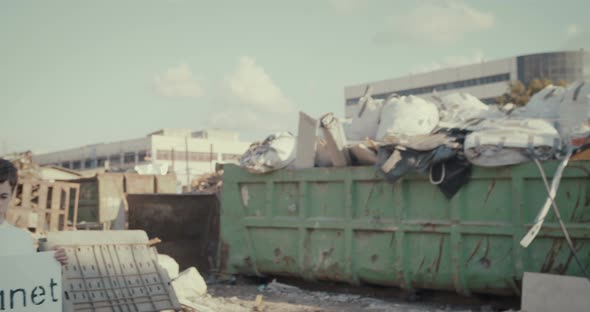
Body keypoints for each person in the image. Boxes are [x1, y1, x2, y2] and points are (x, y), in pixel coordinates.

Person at [0, 158, 68, 264]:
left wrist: (49, 260)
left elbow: (29, 275)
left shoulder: (22, 240)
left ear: (11, 195)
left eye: (3, 197)